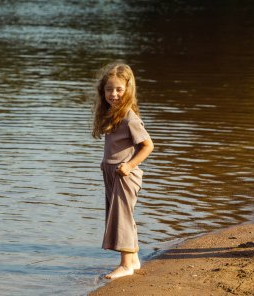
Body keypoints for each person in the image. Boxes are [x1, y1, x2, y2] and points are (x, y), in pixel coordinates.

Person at [92, 62, 154, 280]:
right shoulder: (113, 114)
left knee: (122, 219)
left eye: (119, 89)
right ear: (103, 91)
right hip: (112, 173)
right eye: (109, 89)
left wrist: (128, 165)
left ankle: (125, 264)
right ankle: (134, 258)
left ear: (128, 89)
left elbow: (148, 145)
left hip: (125, 175)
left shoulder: (129, 117)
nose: (114, 94)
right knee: (120, 215)